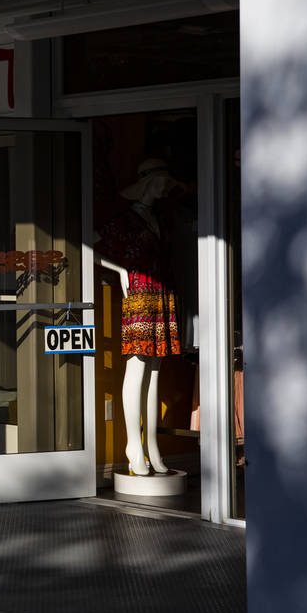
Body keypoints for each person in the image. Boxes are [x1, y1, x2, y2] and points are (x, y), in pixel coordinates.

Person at [96, 158, 183, 477]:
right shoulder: (123, 221)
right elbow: (88, 246)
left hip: (162, 294)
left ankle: (152, 446)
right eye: (160, 181)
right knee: (137, 368)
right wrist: (120, 271)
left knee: (155, 371)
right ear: (148, 183)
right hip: (139, 295)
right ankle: (134, 445)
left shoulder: (161, 217)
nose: (164, 187)